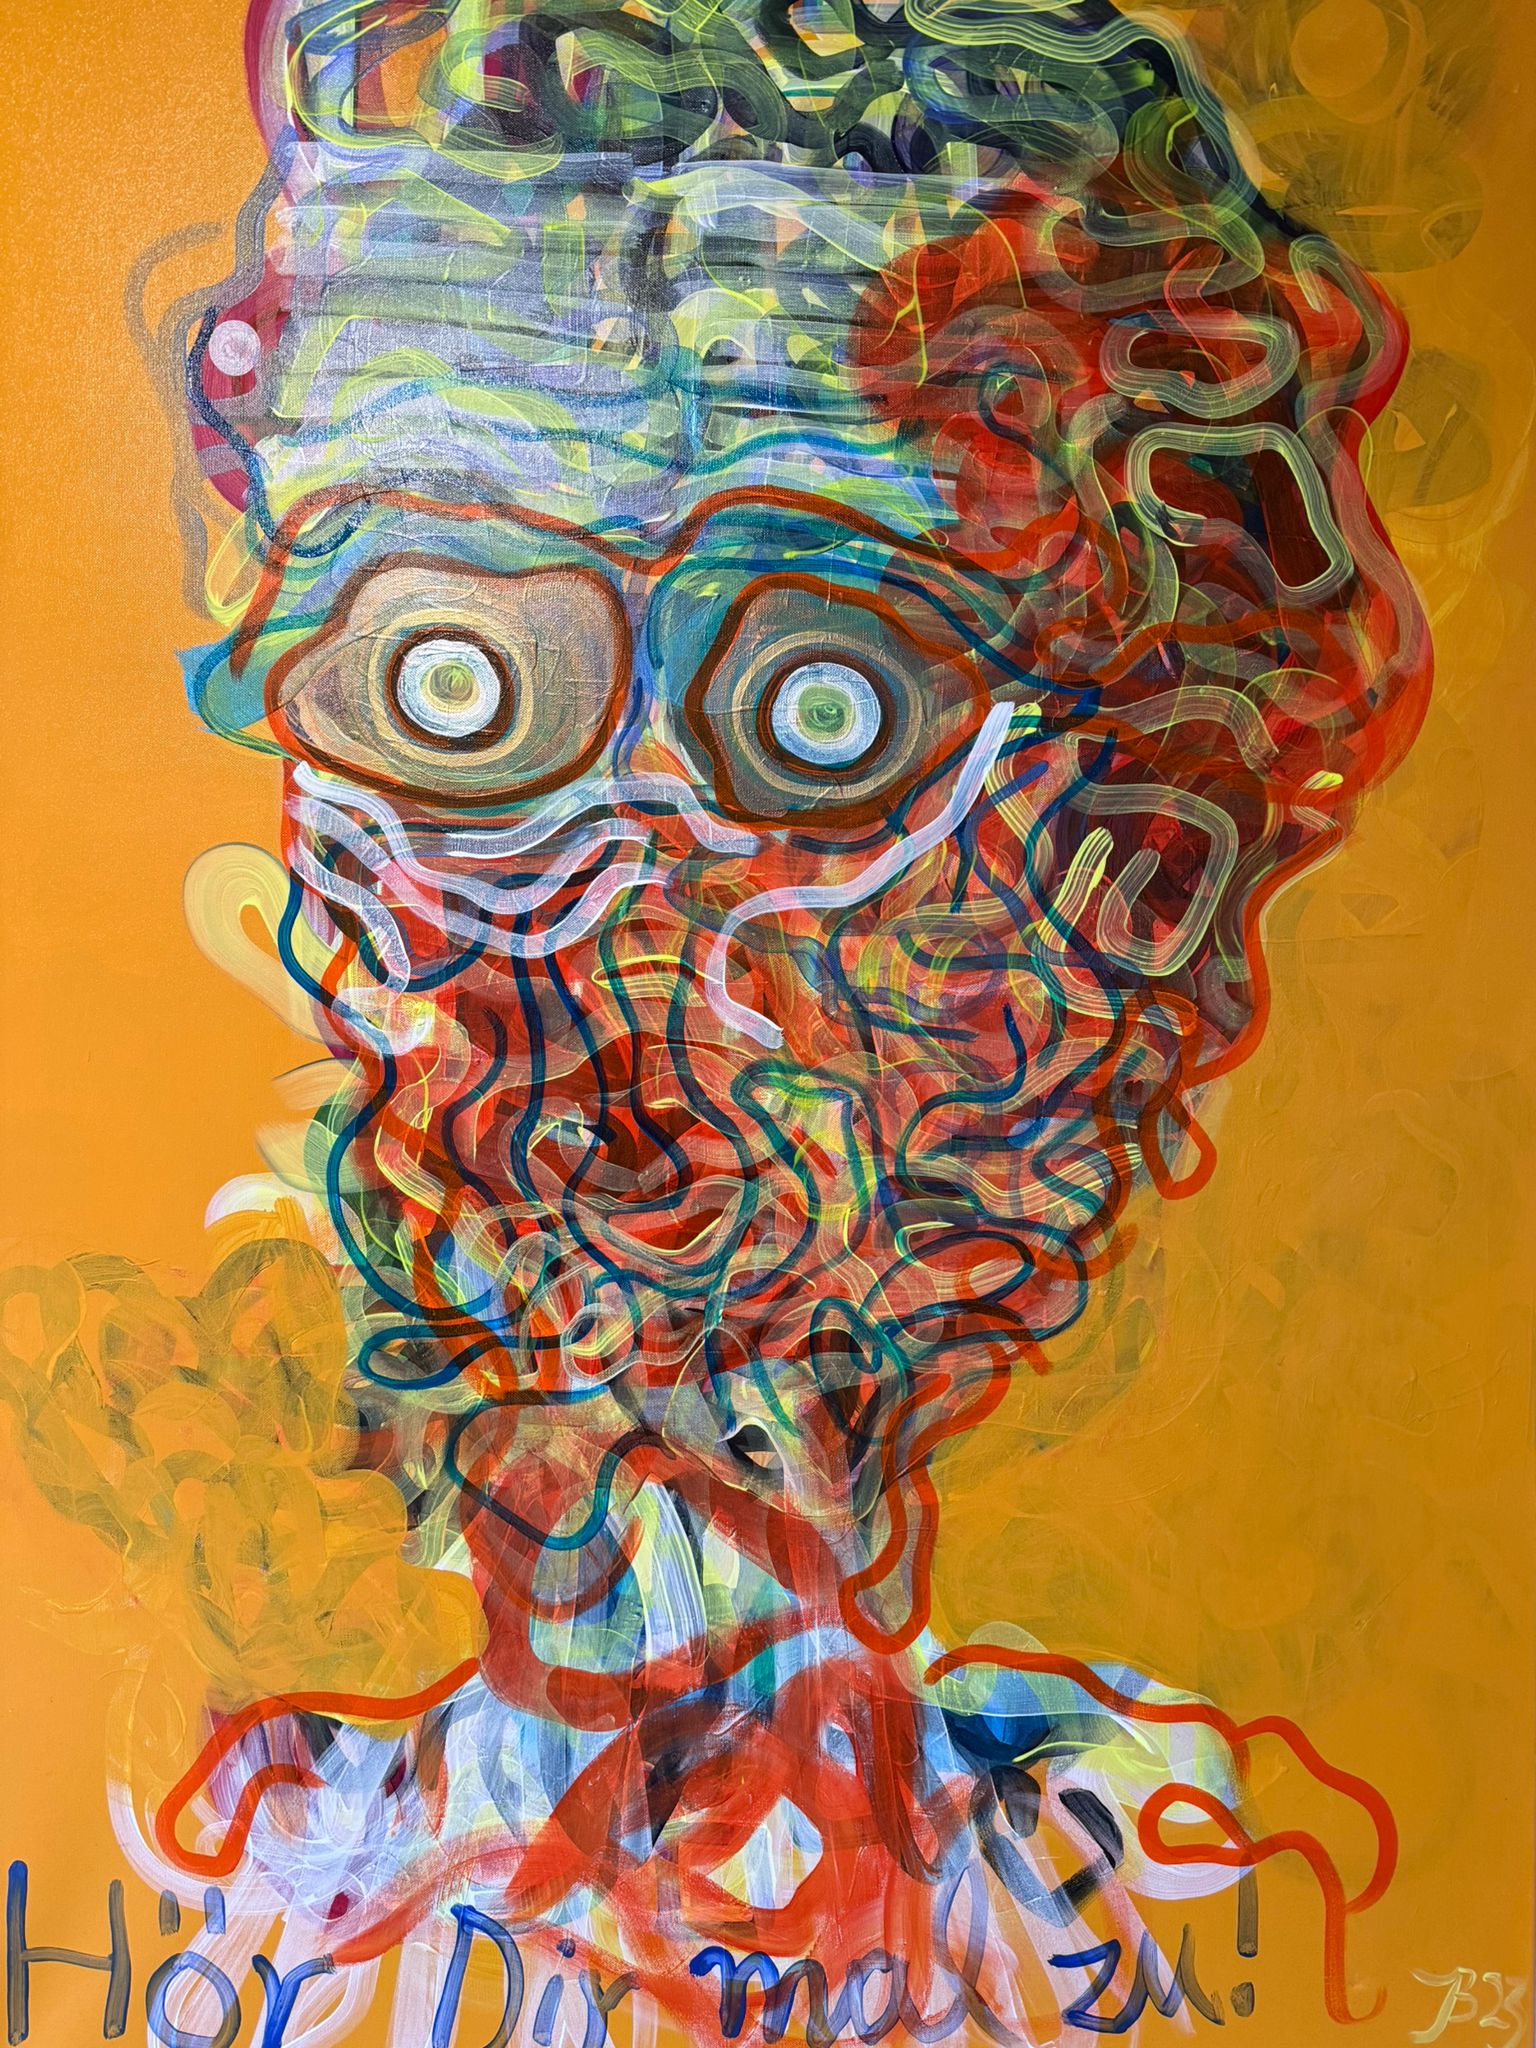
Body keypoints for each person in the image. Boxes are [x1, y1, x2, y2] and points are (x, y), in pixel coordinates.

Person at [11, 0, 1432, 2037]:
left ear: (1137, 858)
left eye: (816, 711)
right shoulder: (252, 1941)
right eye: (450, 683)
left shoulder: (1209, 1925)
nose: (611, 908)